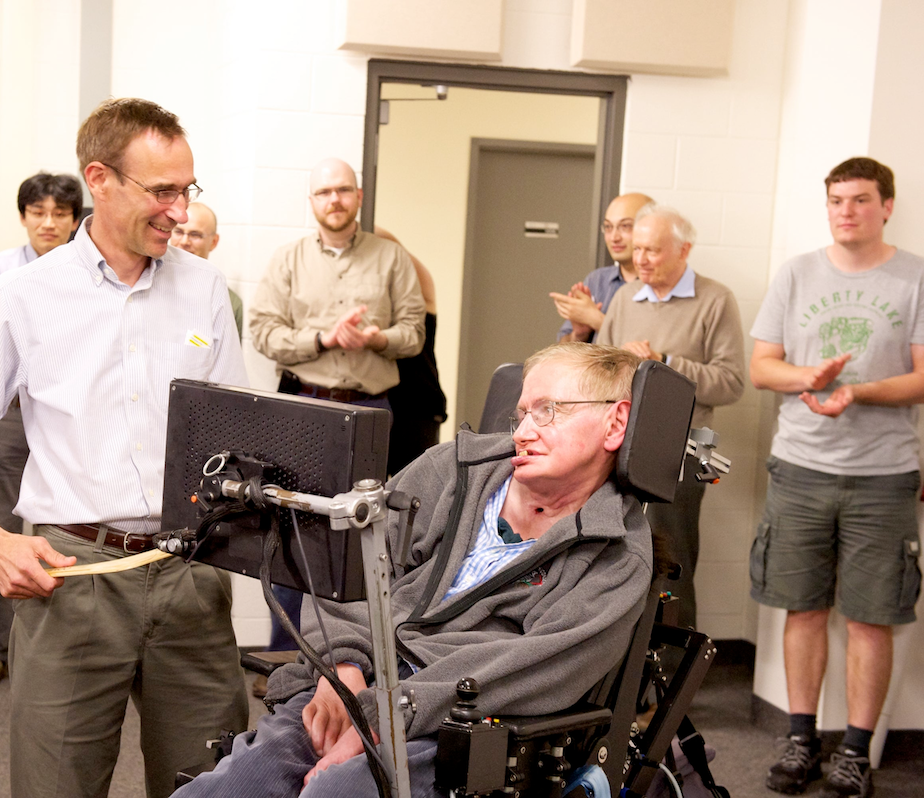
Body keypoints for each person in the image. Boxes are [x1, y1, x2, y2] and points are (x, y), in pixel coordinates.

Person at [0, 98, 249, 798]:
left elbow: (232, 438)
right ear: (99, 180)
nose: (180, 211)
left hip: (190, 571)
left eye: (187, 190)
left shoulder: (206, 290)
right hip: (73, 574)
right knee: (56, 784)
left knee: (213, 783)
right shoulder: (21, 297)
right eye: (162, 191)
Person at [171, 343, 652, 798]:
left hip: (459, 721)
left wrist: (389, 713)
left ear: (616, 422)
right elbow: (352, 568)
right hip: (359, 675)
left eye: (549, 410)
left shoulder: (616, 552)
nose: (524, 431)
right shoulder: (453, 470)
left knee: (339, 791)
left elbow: (542, 668)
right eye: (523, 412)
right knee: (243, 780)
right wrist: (341, 668)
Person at [750, 157, 924, 798]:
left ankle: (854, 752)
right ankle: (800, 741)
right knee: (803, 609)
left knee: (871, 618)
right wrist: (810, 381)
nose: (845, 211)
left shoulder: (915, 277)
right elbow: (763, 367)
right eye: (835, 200)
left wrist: (860, 392)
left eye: (858, 200)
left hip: (883, 476)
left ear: (887, 206)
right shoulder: (796, 273)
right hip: (800, 468)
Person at [0, 172, 82, 694]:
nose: (48, 223)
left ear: (76, 220)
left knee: (72, 530)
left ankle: (72, 650)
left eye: (59, 214)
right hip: (9, 415)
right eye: (37, 212)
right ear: (23, 215)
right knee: (0, 525)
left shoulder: (89, 273)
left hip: (68, 418)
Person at [597, 205, 745, 629]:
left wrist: (664, 363)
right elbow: (599, 369)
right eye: (638, 249)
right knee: (618, 550)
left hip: (690, 446)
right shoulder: (625, 297)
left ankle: (675, 676)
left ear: (684, 250)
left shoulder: (715, 299)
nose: (641, 259)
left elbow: (732, 383)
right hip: (623, 438)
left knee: (672, 553)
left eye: (653, 250)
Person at [249, 157, 425, 417]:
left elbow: (415, 333)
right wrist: (322, 340)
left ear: (359, 196)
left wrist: (377, 340)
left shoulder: (393, 256)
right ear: (311, 202)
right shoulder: (286, 259)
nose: (334, 199)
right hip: (302, 403)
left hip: (372, 407)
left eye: (343, 190)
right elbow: (263, 333)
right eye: (323, 192)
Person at [374, 226, 447, 476]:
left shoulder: (416, 291)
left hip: (417, 407)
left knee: (416, 496)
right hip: (378, 404)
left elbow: (387, 240)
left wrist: (360, 228)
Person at [551, 192, 654, 343]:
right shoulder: (597, 279)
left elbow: (652, 352)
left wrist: (597, 320)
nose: (614, 237)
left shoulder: (661, 285)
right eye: (608, 227)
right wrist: (580, 334)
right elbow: (564, 349)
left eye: (625, 226)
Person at [170, 201, 244, 337]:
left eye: (195, 235)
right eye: (178, 232)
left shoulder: (228, 303)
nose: (185, 241)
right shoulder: (146, 285)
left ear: (214, 242)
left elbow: (229, 357)